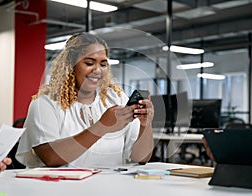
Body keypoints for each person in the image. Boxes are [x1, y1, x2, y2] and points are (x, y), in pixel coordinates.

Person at [16, 32, 154, 168]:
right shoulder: (45, 103)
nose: (97, 70)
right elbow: (51, 157)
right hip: (61, 188)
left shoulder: (117, 98)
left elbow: (141, 158)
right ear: (71, 65)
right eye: (89, 63)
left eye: (103, 64)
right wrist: (102, 127)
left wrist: (145, 125)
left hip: (110, 187)